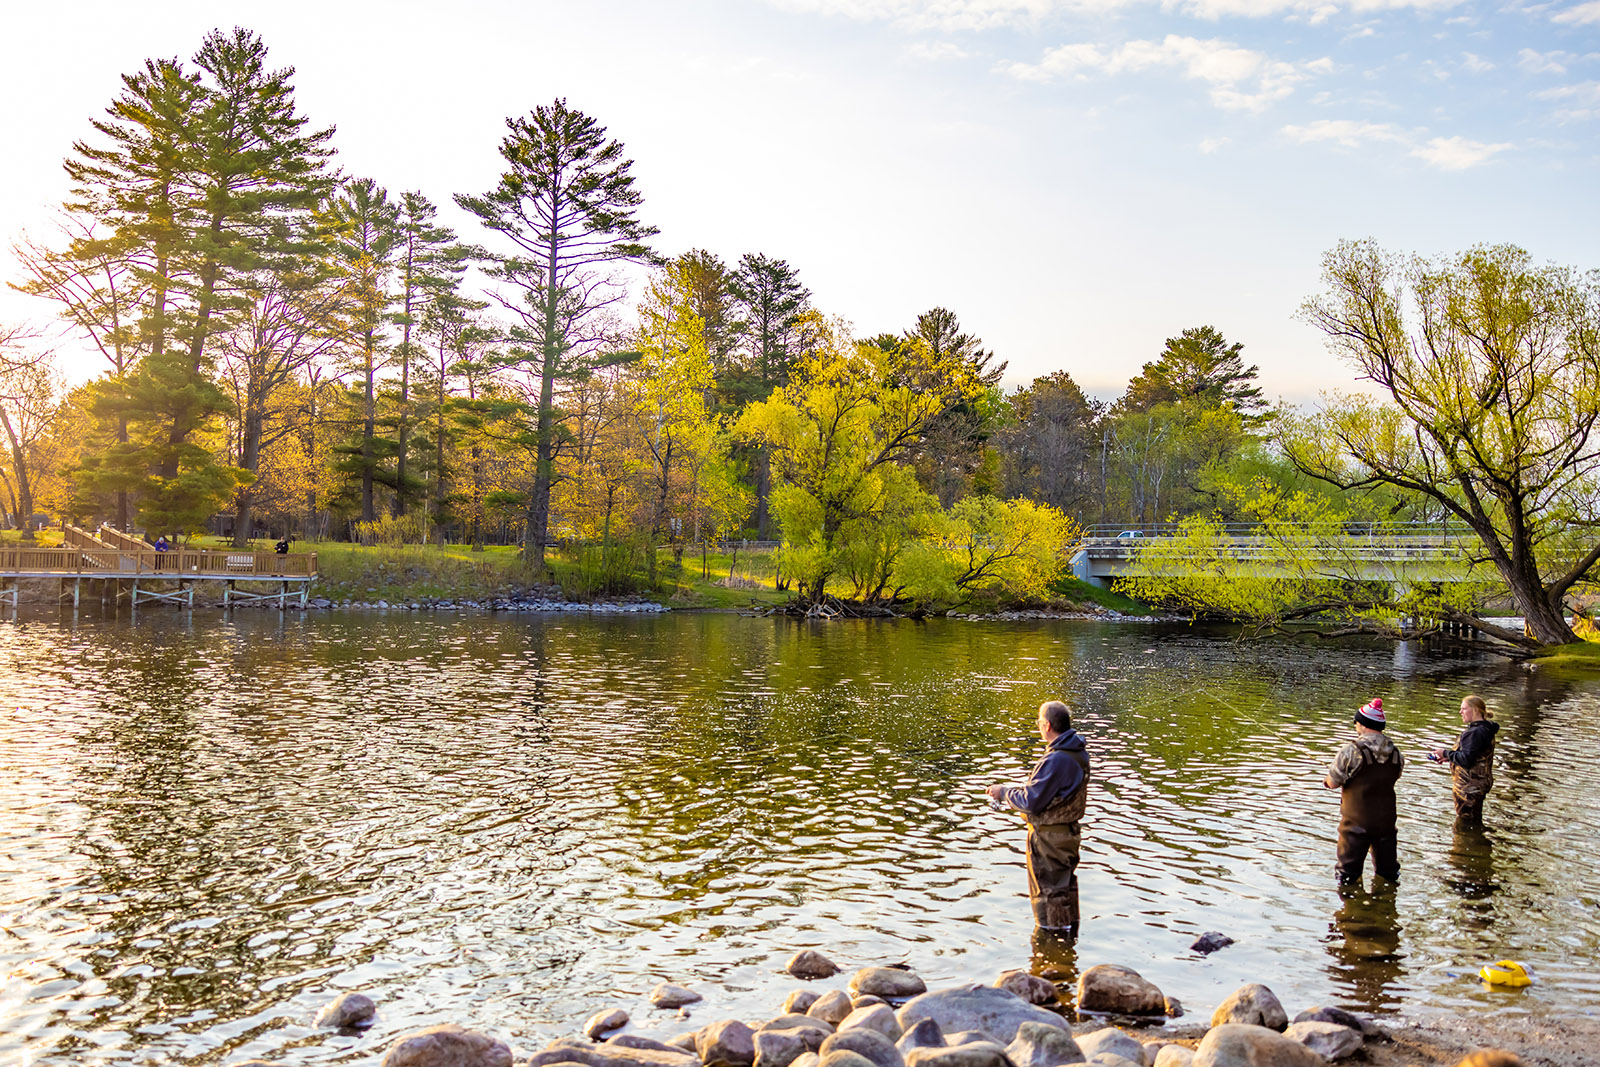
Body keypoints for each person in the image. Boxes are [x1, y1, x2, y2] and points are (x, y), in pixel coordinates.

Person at [986, 700, 1091, 932]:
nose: (1038, 726)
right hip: (1067, 835)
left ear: (1047, 725)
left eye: (1039, 722)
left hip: (1049, 840)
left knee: (1048, 895)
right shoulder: (1076, 752)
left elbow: (1031, 801)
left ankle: (1051, 948)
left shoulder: (1056, 759)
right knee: (1064, 890)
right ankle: (1067, 947)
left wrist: (1003, 792)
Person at [1323, 697, 1404, 885]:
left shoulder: (1351, 751)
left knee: (1346, 877)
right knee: (1388, 875)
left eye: (1356, 723)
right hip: (1386, 823)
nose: (1355, 727)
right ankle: (1386, 906)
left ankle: (1351, 909)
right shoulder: (1396, 753)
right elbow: (1394, 776)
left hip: (1356, 826)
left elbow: (1333, 782)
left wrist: (1326, 781)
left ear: (1363, 725)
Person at [1430, 694, 1498, 822]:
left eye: (1464, 708)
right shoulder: (1486, 728)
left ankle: (1468, 841)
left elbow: (1467, 759)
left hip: (1469, 788)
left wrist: (1444, 753)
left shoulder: (1474, 733)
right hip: (1481, 783)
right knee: (1475, 819)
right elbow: (1474, 755)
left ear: (1475, 710)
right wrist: (1450, 758)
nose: (1460, 712)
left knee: (1465, 824)